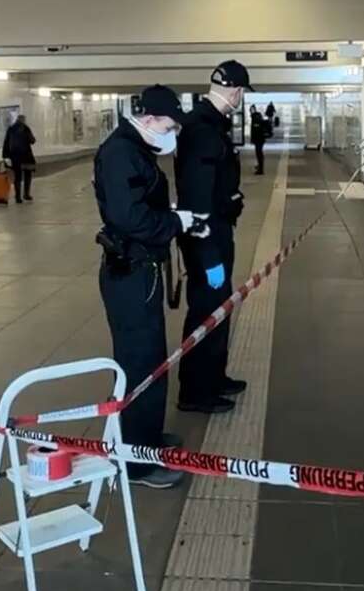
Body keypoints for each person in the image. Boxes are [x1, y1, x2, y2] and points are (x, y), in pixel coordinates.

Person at [93, 85, 208, 488]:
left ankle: (146, 439)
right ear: (148, 117)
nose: (173, 133)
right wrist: (177, 223)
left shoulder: (134, 148)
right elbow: (130, 218)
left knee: (150, 357)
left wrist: (176, 216)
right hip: (131, 271)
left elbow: (142, 205)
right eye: (170, 124)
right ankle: (136, 463)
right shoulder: (121, 151)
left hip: (142, 268)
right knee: (139, 362)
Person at [174, 60, 252, 412]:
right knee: (205, 309)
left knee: (219, 307)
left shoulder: (211, 124)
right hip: (207, 238)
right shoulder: (202, 129)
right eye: (241, 93)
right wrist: (209, 257)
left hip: (217, 232)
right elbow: (196, 198)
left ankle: (214, 376)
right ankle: (194, 390)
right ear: (235, 91)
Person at [2, 113, 37, 202]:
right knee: (27, 175)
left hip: (15, 157)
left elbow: (6, 143)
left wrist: (5, 156)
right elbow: (32, 141)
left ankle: (18, 197)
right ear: (23, 120)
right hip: (26, 156)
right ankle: (26, 194)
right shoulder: (26, 128)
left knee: (18, 177)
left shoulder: (10, 129)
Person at [249, 106, 268, 175]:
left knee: (259, 154)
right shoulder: (256, 117)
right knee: (259, 153)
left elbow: (255, 131)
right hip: (260, 139)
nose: (250, 112)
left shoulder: (255, 118)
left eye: (251, 110)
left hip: (258, 139)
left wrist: (253, 139)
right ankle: (260, 166)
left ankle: (260, 169)